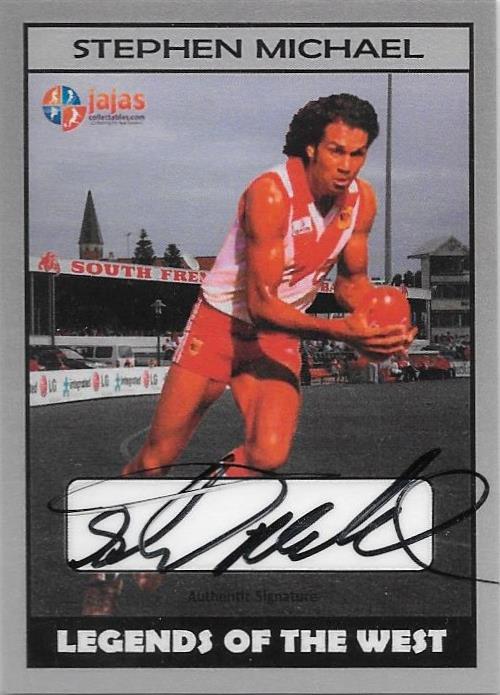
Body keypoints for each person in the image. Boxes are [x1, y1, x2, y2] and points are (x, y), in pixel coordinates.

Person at [82, 93, 416, 614]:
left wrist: (377, 320)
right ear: (311, 147)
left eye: (358, 153)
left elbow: (352, 281)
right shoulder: (270, 193)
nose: (347, 166)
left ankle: (177, 521)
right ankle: (104, 562)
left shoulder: (361, 201)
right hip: (219, 327)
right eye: (336, 151)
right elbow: (262, 305)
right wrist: (345, 333)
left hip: (278, 339)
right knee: (155, 459)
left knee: (268, 454)